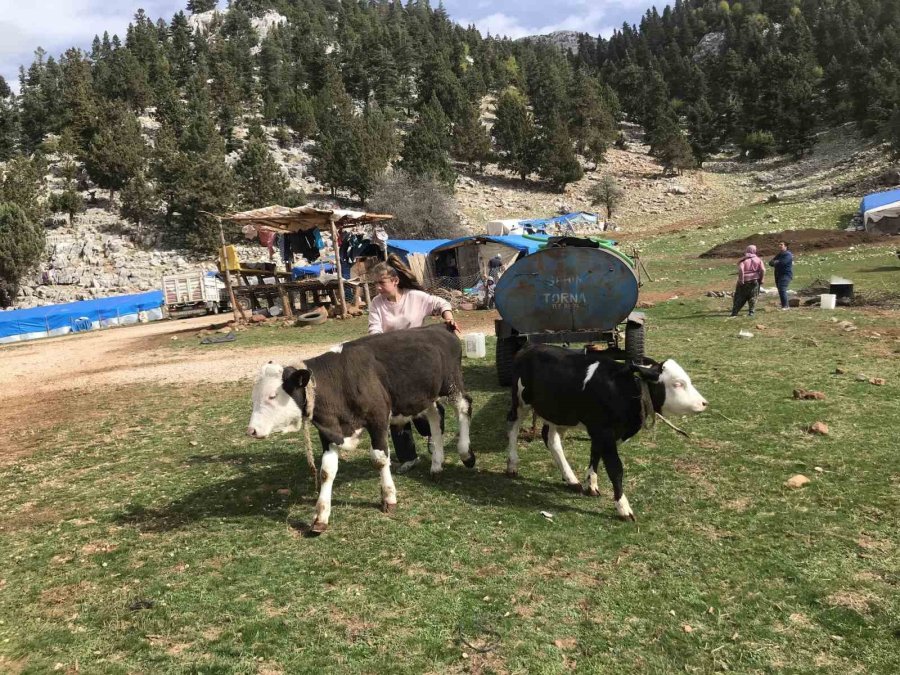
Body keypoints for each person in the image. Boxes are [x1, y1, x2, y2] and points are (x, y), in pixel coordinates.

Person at [368, 255, 460, 473]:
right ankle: (408, 457)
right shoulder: (376, 304)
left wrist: (448, 318)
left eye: (381, 283)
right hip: (390, 362)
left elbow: (441, 303)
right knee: (395, 411)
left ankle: (431, 434)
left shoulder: (415, 297)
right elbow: (374, 331)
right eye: (376, 284)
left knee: (424, 402)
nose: (378, 288)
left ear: (395, 281)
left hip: (417, 362)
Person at [730, 244, 765, 317]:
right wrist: (761, 278)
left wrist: (741, 279)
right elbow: (762, 269)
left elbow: (741, 270)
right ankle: (751, 312)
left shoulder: (744, 260)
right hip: (755, 280)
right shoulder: (758, 260)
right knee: (753, 296)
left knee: (740, 297)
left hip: (744, 281)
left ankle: (734, 312)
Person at [768, 241, 794, 310]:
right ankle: (784, 305)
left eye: (781, 244)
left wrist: (776, 262)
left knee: (782, 289)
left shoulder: (788, 254)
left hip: (786, 275)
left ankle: (786, 306)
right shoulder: (779, 255)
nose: (779, 246)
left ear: (785, 246)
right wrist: (776, 262)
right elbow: (770, 263)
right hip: (778, 275)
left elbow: (783, 263)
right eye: (779, 244)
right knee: (780, 290)